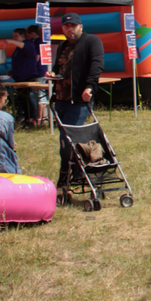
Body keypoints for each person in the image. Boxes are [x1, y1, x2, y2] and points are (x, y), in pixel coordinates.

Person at [47, 13, 104, 185]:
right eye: (66, 26)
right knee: (68, 140)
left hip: (79, 101)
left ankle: (64, 176)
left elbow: (97, 65)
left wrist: (89, 87)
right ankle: (79, 174)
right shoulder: (63, 45)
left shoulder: (92, 42)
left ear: (81, 27)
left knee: (67, 141)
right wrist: (52, 74)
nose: (69, 29)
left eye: (73, 26)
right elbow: (59, 68)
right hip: (61, 100)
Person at [5, 27, 46, 126]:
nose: (14, 38)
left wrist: (11, 41)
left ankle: (33, 118)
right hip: (19, 77)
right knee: (22, 99)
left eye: (16, 36)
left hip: (28, 76)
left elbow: (25, 47)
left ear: (23, 35)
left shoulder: (28, 44)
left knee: (29, 98)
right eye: (13, 36)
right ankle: (27, 118)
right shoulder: (18, 48)